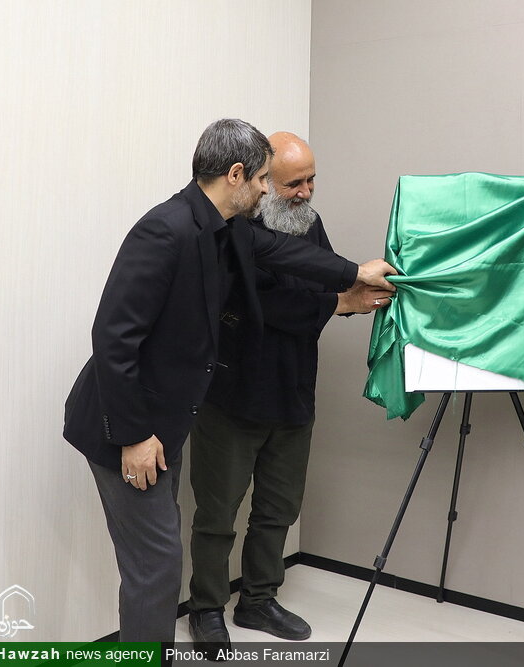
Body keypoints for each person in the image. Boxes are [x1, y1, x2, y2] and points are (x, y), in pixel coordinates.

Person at [63, 119, 396, 643]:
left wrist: (354, 272)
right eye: (264, 179)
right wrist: (134, 436)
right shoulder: (165, 229)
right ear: (236, 175)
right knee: (155, 566)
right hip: (125, 428)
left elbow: (282, 252)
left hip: (163, 423)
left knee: (157, 563)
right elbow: (112, 339)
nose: (267, 190)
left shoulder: (227, 227)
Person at [186, 132, 391, 650]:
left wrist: (355, 292)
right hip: (232, 396)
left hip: (294, 391)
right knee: (217, 514)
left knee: (278, 509)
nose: (306, 192)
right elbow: (258, 305)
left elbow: (324, 280)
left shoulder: (308, 221)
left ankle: (258, 599)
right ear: (260, 181)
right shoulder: (233, 228)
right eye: (292, 183)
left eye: (311, 179)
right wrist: (340, 302)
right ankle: (206, 607)